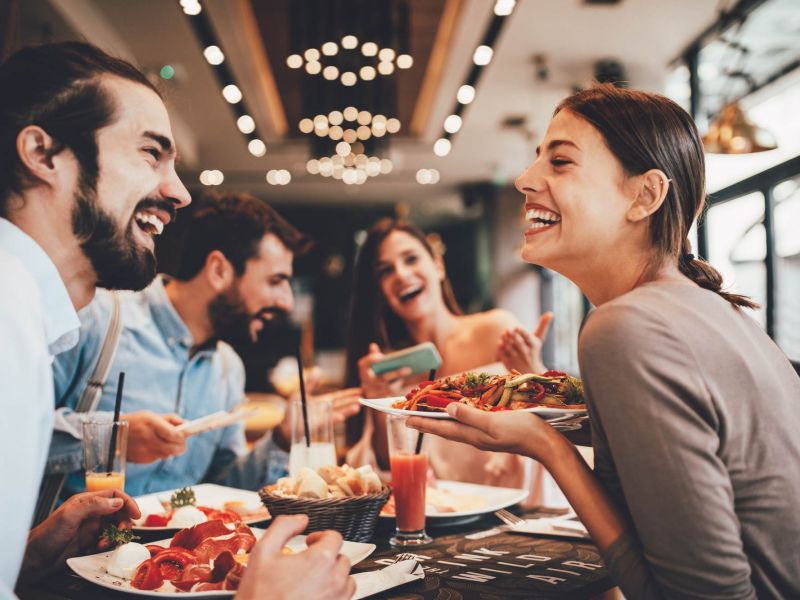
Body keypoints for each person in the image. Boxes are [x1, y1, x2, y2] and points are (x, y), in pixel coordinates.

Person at [408, 84, 800, 598]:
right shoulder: (716, 311)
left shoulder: (626, 325)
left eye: (561, 162)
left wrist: (545, 444)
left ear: (645, 196)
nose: (525, 180)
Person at [1, 42, 352, 600]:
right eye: (150, 153)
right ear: (43, 154)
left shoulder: (32, 311)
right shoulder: (19, 315)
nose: (180, 193)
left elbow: (222, 488)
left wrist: (28, 558)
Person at [50, 192, 362, 497]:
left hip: (179, 534)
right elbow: (22, 429)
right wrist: (113, 438)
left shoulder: (228, 368)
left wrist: (282, 438)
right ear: (219, 270)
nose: (287, 301)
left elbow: (225, 488)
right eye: (275, 281)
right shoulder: (96, 318)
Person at [345, 219, 554, 489]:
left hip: (514, 503)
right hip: (438, 511)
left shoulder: (495, 331)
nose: (401, 275)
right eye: (386, 271)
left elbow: (549, 432)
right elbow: (391, 467)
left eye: (411, 259)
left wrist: (534, 373)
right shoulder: (393, 373)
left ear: (438, 266)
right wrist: (377, 403)